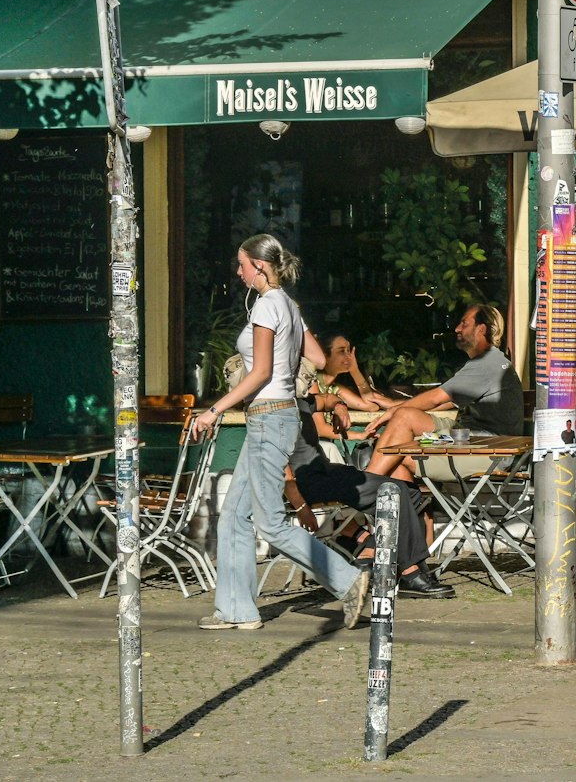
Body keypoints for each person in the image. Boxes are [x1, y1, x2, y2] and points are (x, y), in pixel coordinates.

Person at [187, 234, 370, 631]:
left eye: (242, 265)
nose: (239, 273)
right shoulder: (288, 304)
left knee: (270, 522)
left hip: (270, 416)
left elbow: (261, 373)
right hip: (273, 417)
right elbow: (318, 357)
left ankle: (348, 579)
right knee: (233, 515)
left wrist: (214, 410)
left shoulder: (268, 306)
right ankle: (236, 610)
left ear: (259, 265)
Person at [283, 399, 454, 599]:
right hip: (305, 482)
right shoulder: (276, 406)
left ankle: (375, 549)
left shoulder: (297, 398)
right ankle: (410, 573)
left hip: (326, 472)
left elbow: (326, 399)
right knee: (393, 492)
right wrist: (301, 506)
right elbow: (281, 469)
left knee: (411, 491)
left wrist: (339, 406)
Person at [361, 304, 521, 479]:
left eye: (464, 323)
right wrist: (396, 405)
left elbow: (436, 398)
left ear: (481, 329)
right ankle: (388, 492)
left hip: (489, 450)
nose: (457, 328)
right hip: (466, 436)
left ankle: (367, 484)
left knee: (395, 454)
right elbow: (446, 402)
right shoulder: (489, 361)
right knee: (404, 421)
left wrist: (392, 411)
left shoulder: (487, 364)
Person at [305, 331, 394, 439]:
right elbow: (320, 429)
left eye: (349, 351)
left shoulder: (334, 388)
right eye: (342, 351)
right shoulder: (311, 382)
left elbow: (371, 405)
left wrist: (354, 370)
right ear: (325, 356)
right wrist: (360, 436)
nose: (349, 356)